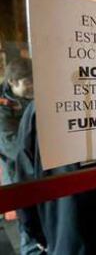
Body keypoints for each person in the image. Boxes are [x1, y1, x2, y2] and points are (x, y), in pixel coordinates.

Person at [0, 58, 45, 255]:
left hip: (37, 168)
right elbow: (14, 149)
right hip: (17, 171)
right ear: (12, 82)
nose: (32, 87)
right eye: (27, 82)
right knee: (27, 224)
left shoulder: (28, 99)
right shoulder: (2, 110)